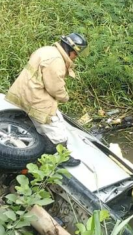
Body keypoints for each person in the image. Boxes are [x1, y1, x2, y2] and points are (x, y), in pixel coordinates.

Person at [5, 33, 88, 168]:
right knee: (57, 129)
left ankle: (42, 142)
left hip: (24, 91)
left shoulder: (47, 50)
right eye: (76, 54)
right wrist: (65, 97)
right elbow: (55, 87)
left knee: (42, 123)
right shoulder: (57, 61)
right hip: (36, 97)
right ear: (71, 51)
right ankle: (60, 158)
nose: (76, 58)